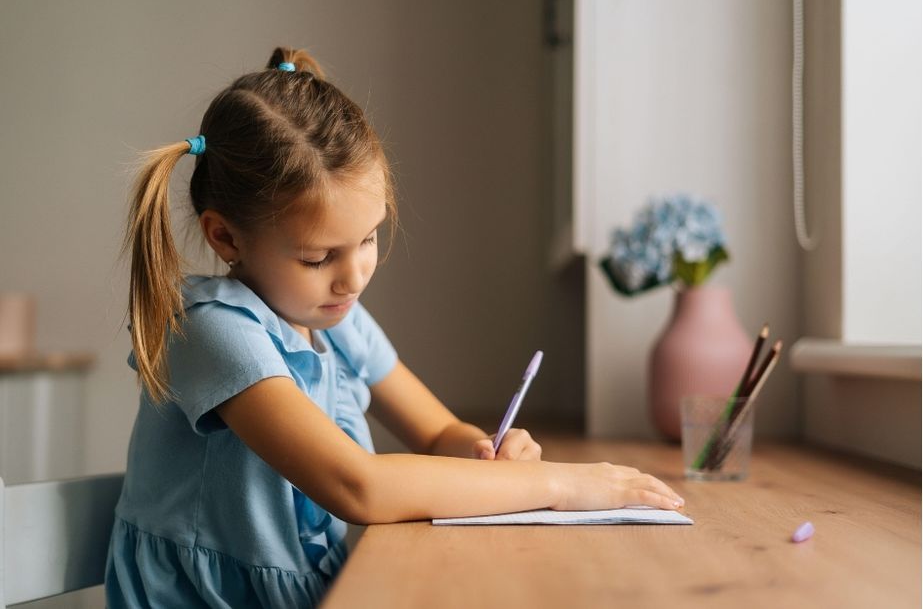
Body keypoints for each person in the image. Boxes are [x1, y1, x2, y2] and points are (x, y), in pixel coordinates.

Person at [105, 46, 684, 608]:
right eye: (318, 258)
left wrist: (487, 452)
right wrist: (561, 485)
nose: (353, 277)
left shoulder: (336, 320)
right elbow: (356, 486)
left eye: (368, 238)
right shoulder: (211, 330)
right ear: (225, 237)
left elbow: (437, 433)